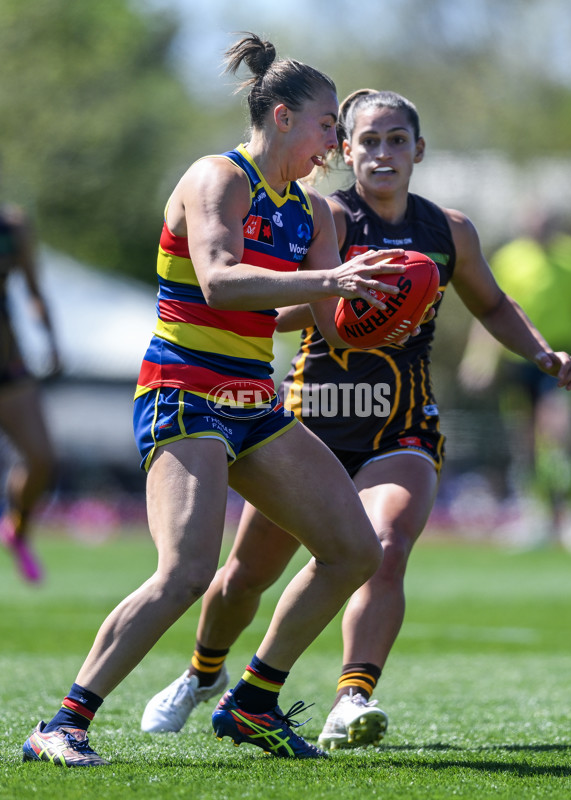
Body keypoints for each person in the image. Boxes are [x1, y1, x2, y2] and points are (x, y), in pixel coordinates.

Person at [140, 88, 571, 750]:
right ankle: (204, 672)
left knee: (386, 546)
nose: (383, 152)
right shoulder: (323, 217)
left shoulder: (450, 230)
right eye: (368, 141)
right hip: (310, 421)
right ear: (345, 151)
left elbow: (493, 305)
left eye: (397, 139)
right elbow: (270, 307)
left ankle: (349, 697)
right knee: (245, 576)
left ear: (419, 150)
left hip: (399, 425)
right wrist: (339, 292)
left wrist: (541, 351)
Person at [21, 35, 421, 768]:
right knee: (186, 572)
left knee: (354, 549)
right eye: (328, 123)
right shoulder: (218, 178)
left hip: (253, 401)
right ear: (279, 117)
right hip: (184, 392)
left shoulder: (312, 214)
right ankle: (63, 723)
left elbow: (327, 324)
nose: (336, 139)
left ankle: (253, 702)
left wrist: (384, 300)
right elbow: (221, 281)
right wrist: (327, 284)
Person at [459, 211, 571, 542]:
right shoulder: (508, 259)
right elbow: (489, 309)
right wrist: (478, 357)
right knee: (526, 438)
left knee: (561, 428)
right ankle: (537, 514)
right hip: (519, 357)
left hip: (563, 355)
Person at [0, 199, 60, 583]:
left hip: (9, 364)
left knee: (42, 459)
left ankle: (16, 531)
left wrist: (52, 342)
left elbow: (34, 289)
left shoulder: (12, 227)